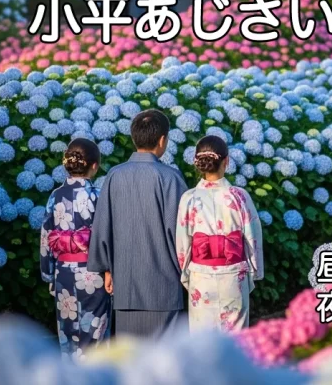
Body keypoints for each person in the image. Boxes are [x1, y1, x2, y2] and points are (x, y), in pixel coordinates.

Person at [89, 109, 189, 338]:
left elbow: (102, 227)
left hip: (125, 284)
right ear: (163, 140)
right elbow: (182, 233)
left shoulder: (115, 175)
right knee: (164, 358)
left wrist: (106, 269)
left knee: (130, 357)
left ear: (134, 138)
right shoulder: (170, 177)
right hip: (163, 285)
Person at [175, 135, 263, 332]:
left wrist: (187, 270)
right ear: (227, 161)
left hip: (201, 273)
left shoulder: (189, 198)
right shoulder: (239, 196)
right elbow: (252, 236)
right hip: (233, 274)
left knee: (202, 338)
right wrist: (254, 270)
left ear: (198, 163)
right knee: (236, 338)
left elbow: (182, 244)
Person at [40, 138, 111, 358]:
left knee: (67, 333)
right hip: (93, 272)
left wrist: (48, 274)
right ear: (94, 166)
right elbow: (107, 237)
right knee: (94, 335)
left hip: (64, 273)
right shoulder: (98, 197)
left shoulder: (55, 196)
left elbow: (46, 237)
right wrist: (110, 269)